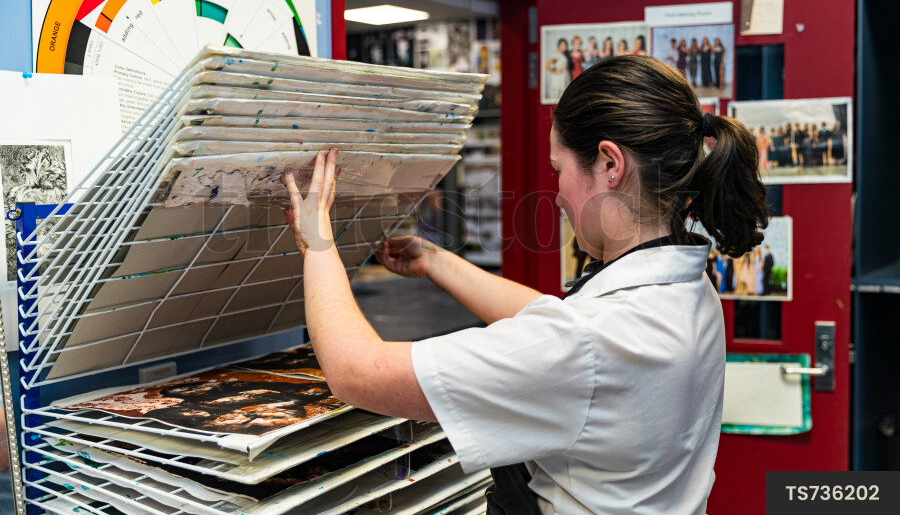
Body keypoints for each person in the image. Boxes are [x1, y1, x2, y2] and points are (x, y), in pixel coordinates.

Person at [281, 55, 770, 514]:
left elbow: (356, 373)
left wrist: (318, 243)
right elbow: (554, 324)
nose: (556, 194)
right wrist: (435, 261)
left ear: (610, 164)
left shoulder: (589, 344)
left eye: (559, 170)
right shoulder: (688, 287)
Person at [545, 38, 571, 102]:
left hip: (565, 75)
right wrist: (555, 71)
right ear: (559, 46)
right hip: (559, 77)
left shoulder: (565, 54)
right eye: (563, 45)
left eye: (565, 45)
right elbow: (547, 65)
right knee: (558, 93)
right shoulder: (556, 54)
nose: (564, 47)